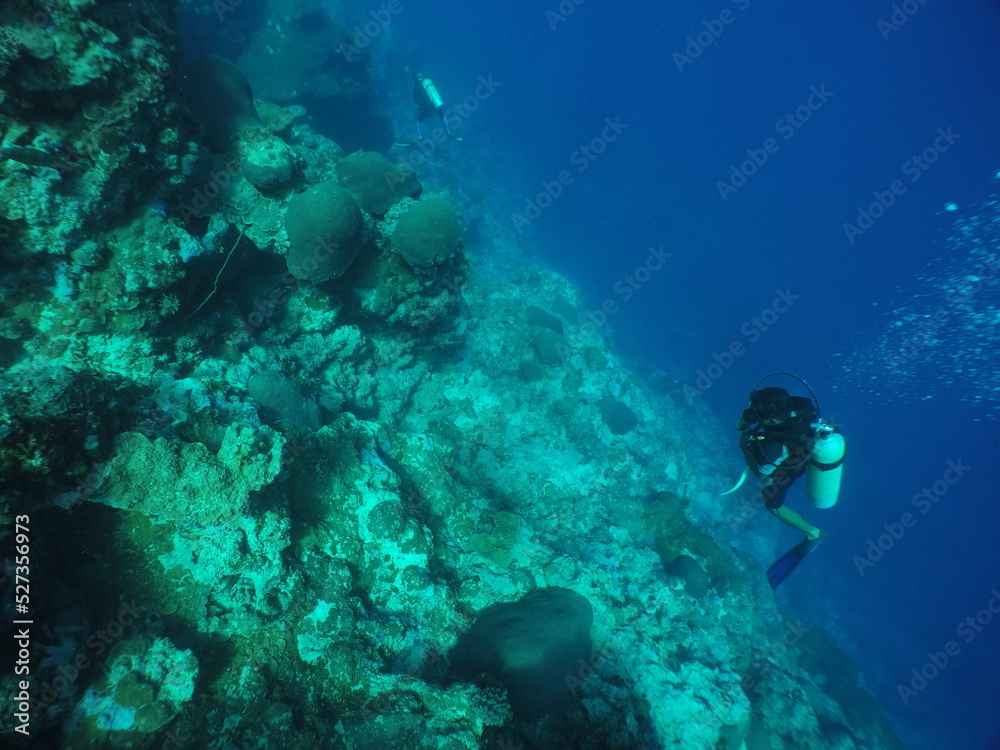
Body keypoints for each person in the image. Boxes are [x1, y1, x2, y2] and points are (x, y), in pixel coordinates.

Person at [735, 385, 825, 541]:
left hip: (793, 463)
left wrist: (743, 447)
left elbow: (760, 476)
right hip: (805, 441)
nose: (753, 413)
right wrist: (748, 419)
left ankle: (812, 533)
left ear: (771, 418)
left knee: (771, 503)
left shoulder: (773, 449)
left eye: (757, 413)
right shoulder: (794, 404)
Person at [409, 69, 461, 141]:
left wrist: (418, 105)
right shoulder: (427, 81)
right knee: (442, 117)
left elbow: (415, 99)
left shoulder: (416, 86)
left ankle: (420, 136)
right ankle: (448, 132)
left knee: (419, 121)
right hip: (436, 103)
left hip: (427, 106)